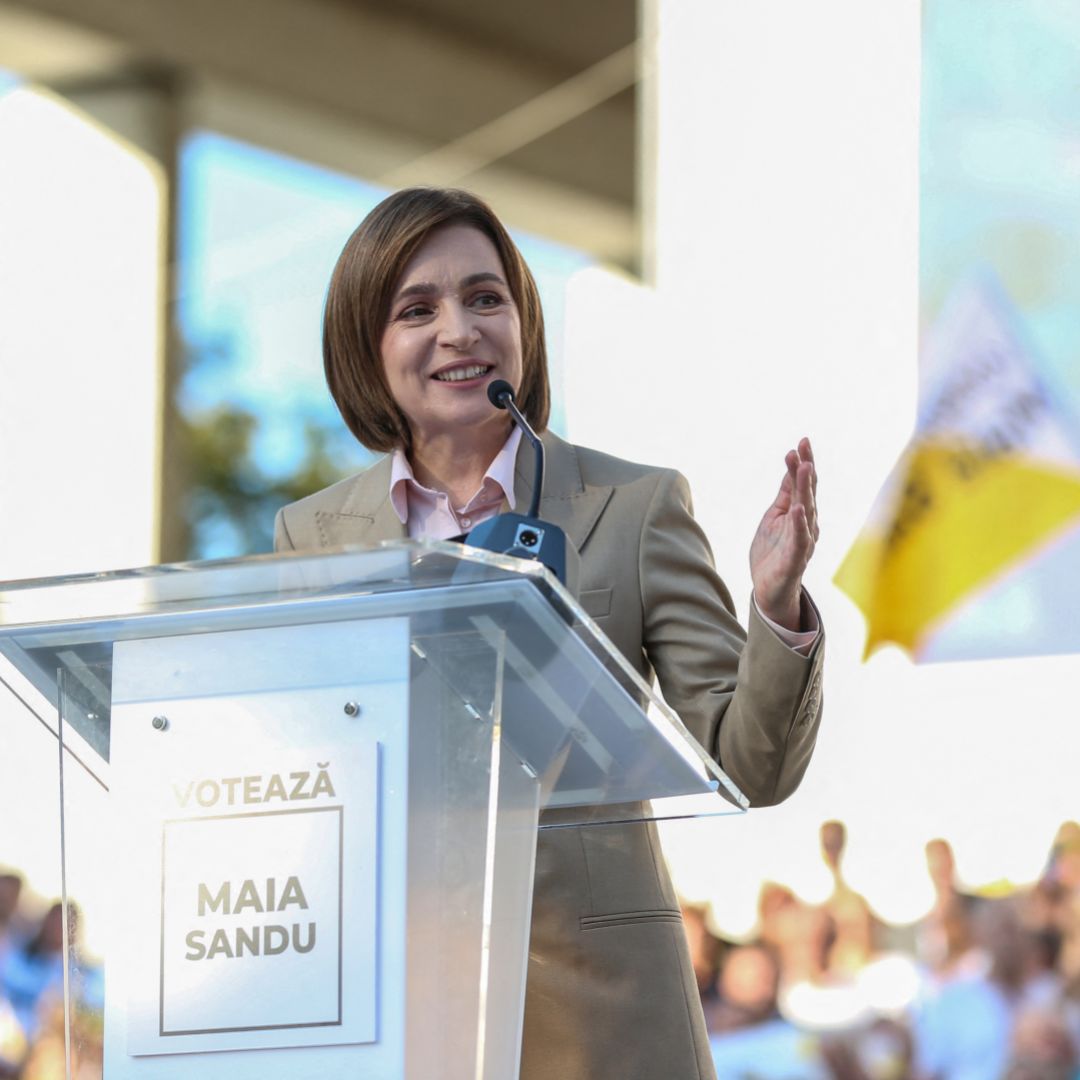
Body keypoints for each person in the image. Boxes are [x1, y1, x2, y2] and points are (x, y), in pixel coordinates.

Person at [274, 186, 825, 1080]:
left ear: (523, 326)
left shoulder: (636, 507)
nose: (459, 330)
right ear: (366, 349)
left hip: (600, 1005)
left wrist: (777, 604)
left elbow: (750, 762)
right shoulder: (310, 537)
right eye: (418, 309)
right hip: (392, 1000)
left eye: (485, 298)